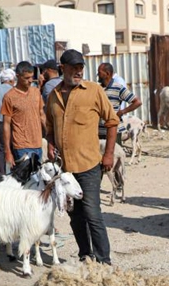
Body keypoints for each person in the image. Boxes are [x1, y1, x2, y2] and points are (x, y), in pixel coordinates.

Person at [45, 49, 119, 264]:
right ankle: (85, 255)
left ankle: (104, 261)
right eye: (73, 68)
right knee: (75, 216)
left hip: (89, 165)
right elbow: (49, 127)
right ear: (63, 68)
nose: (78, 72)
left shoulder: (94, 91)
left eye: (81, 68)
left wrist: (109, 154)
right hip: (65, 169)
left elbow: (112, 122)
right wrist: (50, 143)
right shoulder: (53, 95)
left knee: (92, 213)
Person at [2, 61, 45, 169]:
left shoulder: (36, 93)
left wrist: (50, 136)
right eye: (26, 78)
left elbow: (42, 115)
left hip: (38, 145)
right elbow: (6, 125)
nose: (30, 80)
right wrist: (7, 151)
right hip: (21, 147)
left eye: (31, 77)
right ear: (18, 76)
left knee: (38, 182)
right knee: (26, 182)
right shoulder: (9, 97)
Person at [97, 63, 142, 143]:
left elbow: (137, 102)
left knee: (114, 154)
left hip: (114, 131)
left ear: (107, 73)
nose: (98, 75)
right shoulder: (97, 89)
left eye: (100, 73)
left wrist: (122, 111)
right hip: (99, 131)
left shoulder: (118, 88)